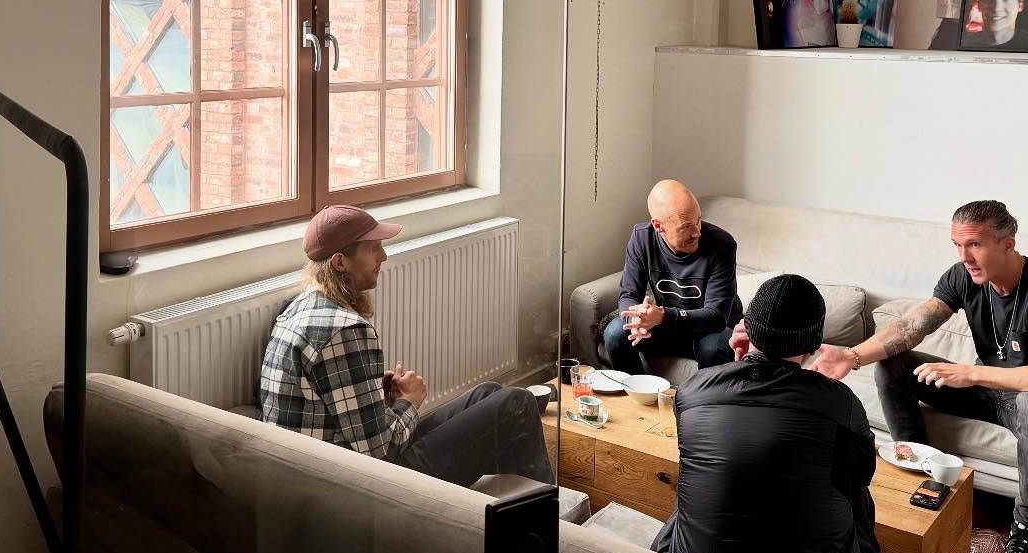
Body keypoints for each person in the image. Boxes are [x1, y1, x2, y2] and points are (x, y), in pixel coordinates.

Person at [797, 200, 1028, 553]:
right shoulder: (964, 276)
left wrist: (970, 373)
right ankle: (917, 473)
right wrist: (852, 356)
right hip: (987, 392)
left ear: (1007, 243)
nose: (964, 257)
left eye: (974, 245)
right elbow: (912, 327)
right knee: (895, 363)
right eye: (957, 245)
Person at [655, 274, 911, 553]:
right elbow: (860, 475)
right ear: (813, 344)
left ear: (748, 330)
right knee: (847, 487)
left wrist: (739, 364)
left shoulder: (693, 388)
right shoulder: (839, 402)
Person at [259, 205, 553, 488]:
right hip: (361, 485)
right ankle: (548, 525)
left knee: (488, 393)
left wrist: (374, 390)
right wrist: (409, 402)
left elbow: (325, 404)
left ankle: (500, 512)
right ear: (340, 262)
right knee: (517, 404)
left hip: (332, 465)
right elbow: (380, 454)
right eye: (373, 248)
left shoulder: (299, 308)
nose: (383, 256)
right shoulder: (344, 331)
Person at [603, 180, 741, 375]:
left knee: (715, 346)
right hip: (665, 326)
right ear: (658, 226)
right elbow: (629, 293)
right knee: (615, 333)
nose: (697, 232)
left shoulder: (721, 244)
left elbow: (716, 316)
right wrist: (637, 319)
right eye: (685, 227)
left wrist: (664, 316)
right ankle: (639, 395)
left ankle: (703, 402)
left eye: (698, 220)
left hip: (708, 329)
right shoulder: (642, 238)